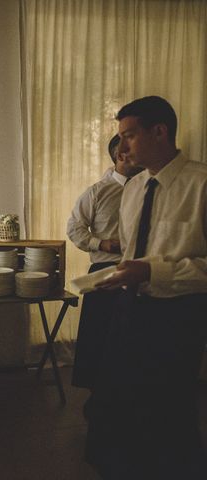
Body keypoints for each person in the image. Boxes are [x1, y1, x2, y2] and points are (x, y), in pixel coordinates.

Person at [88, 96, 207, 478]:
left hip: (179, 313)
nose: (121, 148)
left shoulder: (202, 185)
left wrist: (154, 272)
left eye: (129, 136)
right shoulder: (135, 189)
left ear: (160, 132)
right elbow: (133, 251)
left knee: (169, 407)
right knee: (120, 399)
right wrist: (117, 275)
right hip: (129, 306)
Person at [67, 134, 142, 402]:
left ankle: (129, 396)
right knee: (98, 337)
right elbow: (74, 228)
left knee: (133, 339)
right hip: (105, 270)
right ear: (120, 156)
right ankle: (96, 397)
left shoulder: (150, 188)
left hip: (142, 272)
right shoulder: (97, 191)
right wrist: (102, 244)